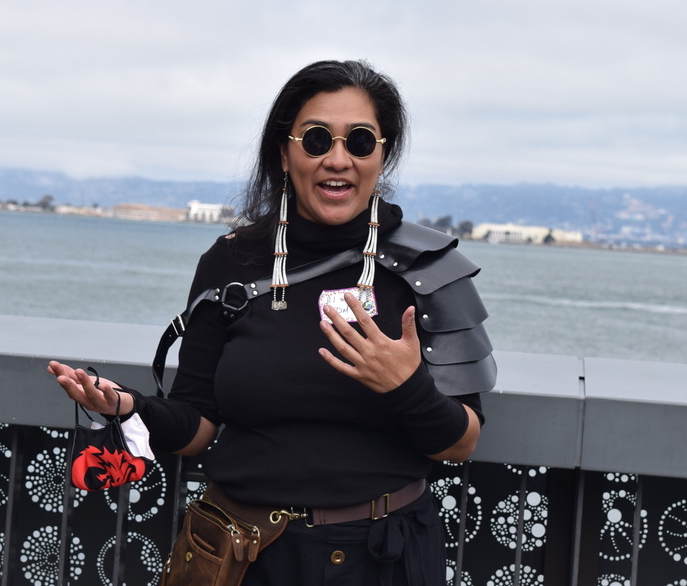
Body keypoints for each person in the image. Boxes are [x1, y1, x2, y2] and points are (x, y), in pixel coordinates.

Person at [48, 59, 496, 585]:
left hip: (383, 559)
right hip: (240, 556)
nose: (337, 159)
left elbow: (460, 443)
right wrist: (129, 406)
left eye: (359, 141)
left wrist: (404, 385)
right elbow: (199, 425)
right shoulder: (231, 262)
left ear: (383, 154)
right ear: (284, 152)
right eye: (314, 140)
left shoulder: (429, 271)